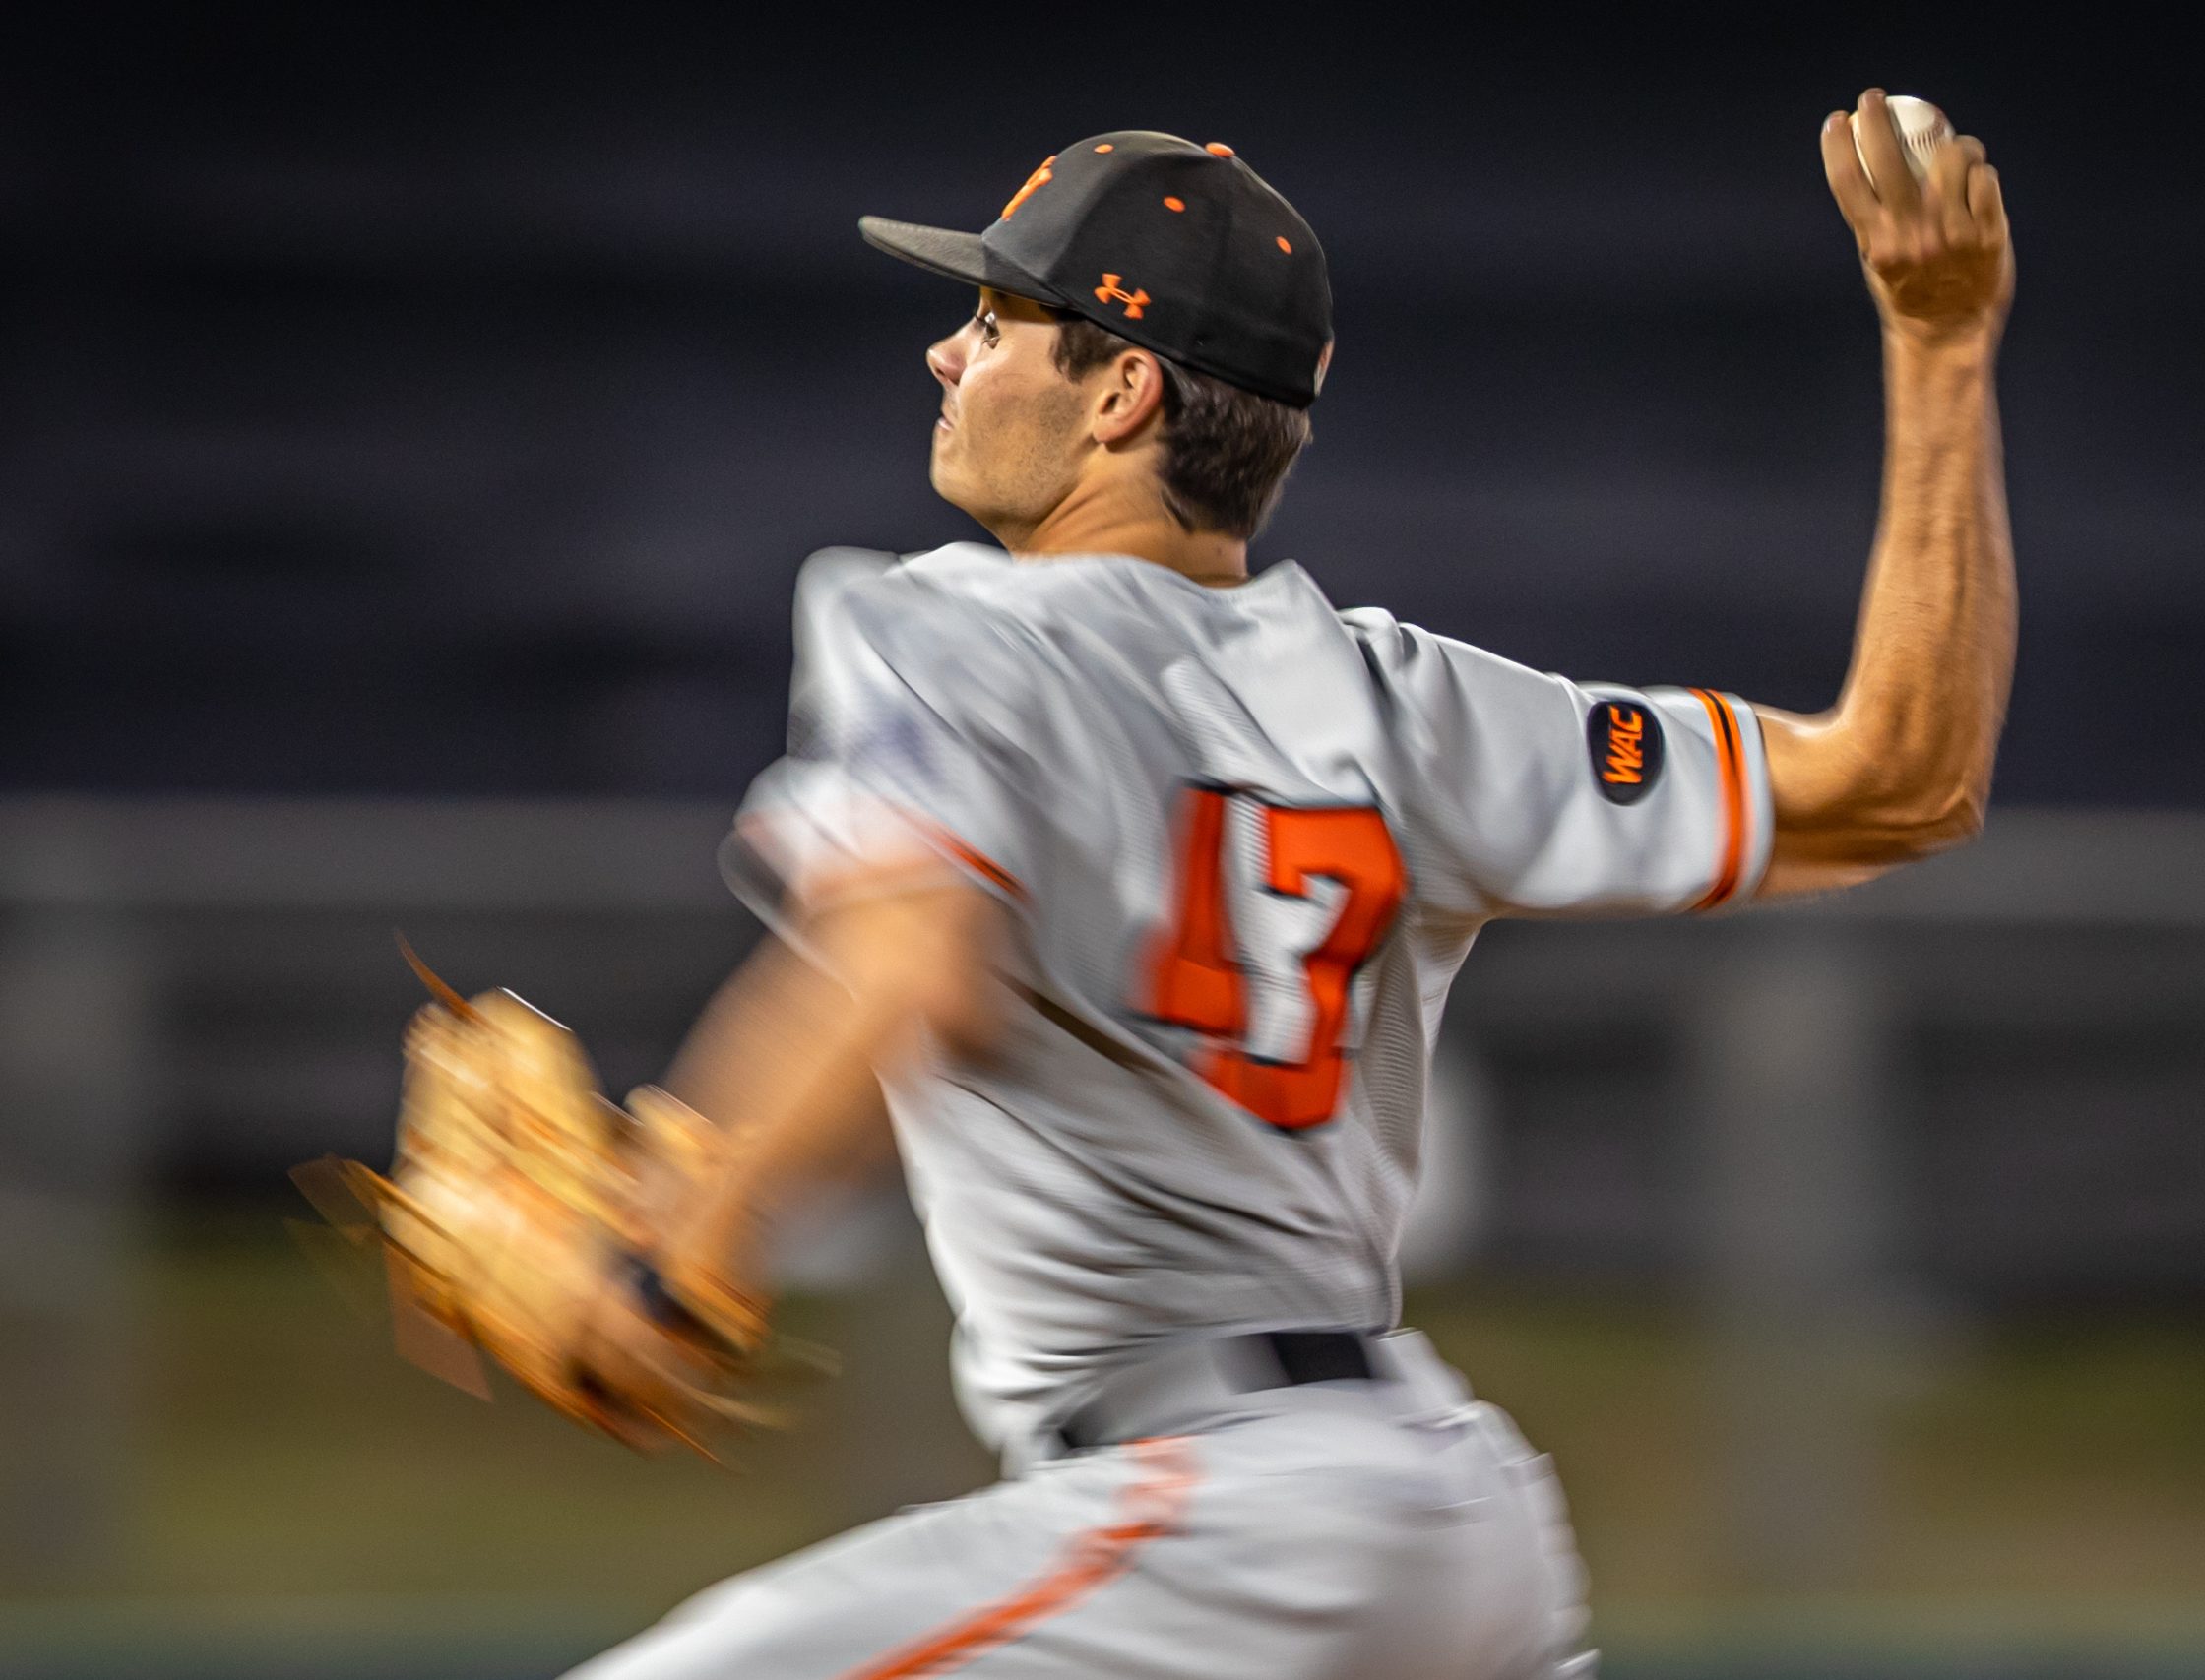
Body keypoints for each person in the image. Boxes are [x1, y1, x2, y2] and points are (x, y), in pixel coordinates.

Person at [565, 96, 2014, 1680]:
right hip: (1449, 1518)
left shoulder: (947, 631)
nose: (947, 354)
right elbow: (1904, 781)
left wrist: (675, 1235)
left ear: (1120, 391)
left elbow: (907, 965)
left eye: (997, 319)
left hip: (1220, 1527)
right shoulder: (1406, 706)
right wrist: (1939, 352)